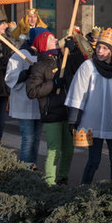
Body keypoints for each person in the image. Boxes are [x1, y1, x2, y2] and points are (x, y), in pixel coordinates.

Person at [67, 27, 112, 184]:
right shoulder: (88, 67)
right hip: (91, 122)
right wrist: (74, 119)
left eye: (104, 48)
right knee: (93, 160)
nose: (100, 51)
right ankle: (84, 189)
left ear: (111, 50)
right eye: (98, 47)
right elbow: (78, 93)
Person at [26, 30, 84, 185]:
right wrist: (53, 85)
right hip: (51, 113)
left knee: (68, 150)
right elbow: (32, 91)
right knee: (54, 150)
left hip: (67, 110)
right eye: (51, 38)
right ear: (43, 44)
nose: (56, 39)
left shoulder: (63, 57)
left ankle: (63, 178)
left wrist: (75, 50)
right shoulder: (39, 66)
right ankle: (50, 183)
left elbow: (81, 66)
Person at [6, 27, 44, 166]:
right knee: (28, 138)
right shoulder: (20, 54)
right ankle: (25, 168)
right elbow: (10, 77)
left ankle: (33, 165)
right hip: (24, 102)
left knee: (37, 138)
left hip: (39, 103)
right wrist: (25, 73)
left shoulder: (43, 54)